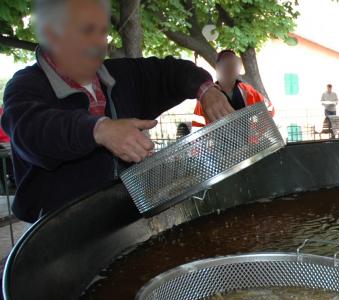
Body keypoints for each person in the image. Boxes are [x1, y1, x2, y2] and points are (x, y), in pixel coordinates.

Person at [0, 0, 234, 222]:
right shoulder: (24, 86)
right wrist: (99, 130)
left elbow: (172, 71)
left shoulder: (121, 74)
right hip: (60, 234)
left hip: (128, 218)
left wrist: (206, 91)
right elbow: (32, 131)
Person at [193, 49, 273, 128]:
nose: (230, 69)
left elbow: (270, 109)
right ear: (217, 67)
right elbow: (197, 127)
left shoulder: (248, 91)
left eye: (234, 65)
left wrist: (256, 126)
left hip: (247, 140)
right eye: (226, 65)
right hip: (218, 140)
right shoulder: (208, 96)